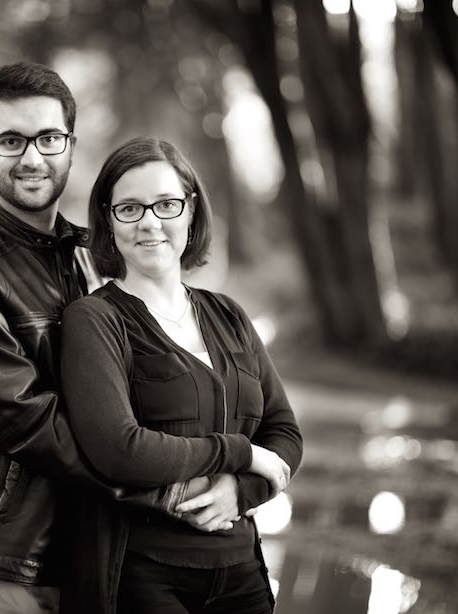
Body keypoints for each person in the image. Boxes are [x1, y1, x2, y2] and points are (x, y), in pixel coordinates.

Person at [0, 64, 270, 614]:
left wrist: (237, 488)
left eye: (48, 138)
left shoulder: (94, 257)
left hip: (96, 551)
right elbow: (29, 420)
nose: (32, 158)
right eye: (11, 141)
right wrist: (175, 487)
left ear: (70, 146)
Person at [59, 137, 303, 614]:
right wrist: (241, 452)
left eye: (166, 204)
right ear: (108, 221)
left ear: (191, 212)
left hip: (243, 574)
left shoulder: (228, 314)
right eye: (130, 208)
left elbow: (286, 432)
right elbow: (119, 450)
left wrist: (241, 489)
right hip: (144, 576)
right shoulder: (94, 320)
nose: (150, 222)